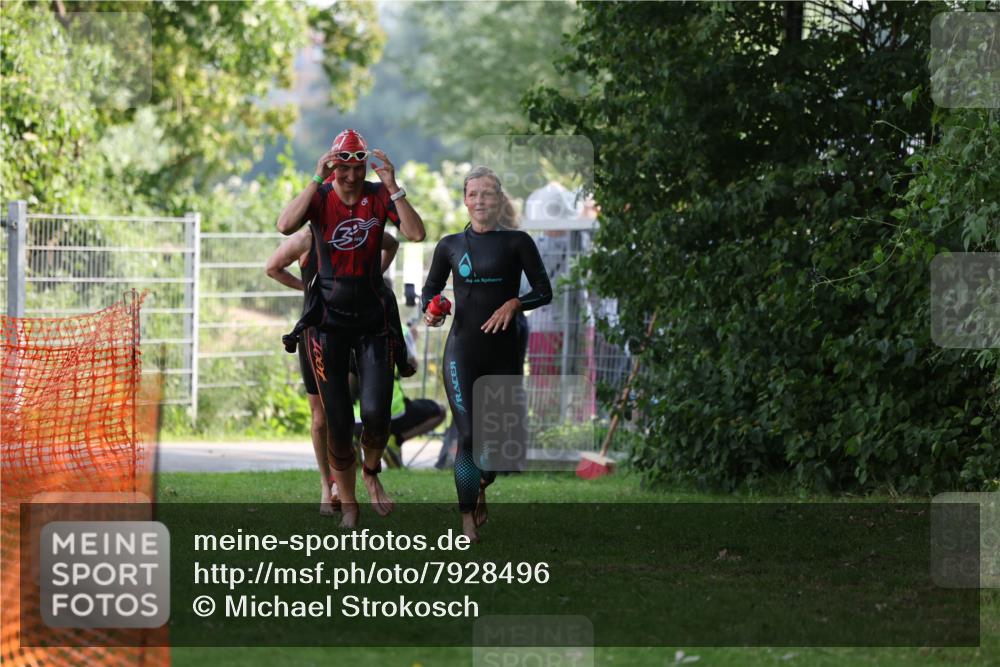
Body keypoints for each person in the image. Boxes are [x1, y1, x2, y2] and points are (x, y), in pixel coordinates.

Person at [276, 128, 425, 528]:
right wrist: (313, 178)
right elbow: (284, 226)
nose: (352, 177)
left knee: (377, 414)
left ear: (365, 169)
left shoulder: (378, 196)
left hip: (372, 320)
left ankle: (371, 470)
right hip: (327, 323)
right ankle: (349, 506)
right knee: (337, 420)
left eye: (358, 168)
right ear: (334, 167)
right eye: (343, 168)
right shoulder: (320, 197)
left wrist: (394, 187)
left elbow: (415, 234)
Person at [421, 165, 552, 542]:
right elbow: (432, 295)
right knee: (468, 436)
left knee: (493, 447)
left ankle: (481, 487)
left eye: (488, 194)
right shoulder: (449, 245)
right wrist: (433, 311)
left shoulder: (517, 242)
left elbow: (544, 291)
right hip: (462, 351)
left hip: (504, 354)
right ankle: (465, 523)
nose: (480, 200)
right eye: (473, 194)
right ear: (465, 200)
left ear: (500, 200)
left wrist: (514, 303)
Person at [265, 225, 399, 516]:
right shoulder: (306, 238)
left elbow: (392, 244)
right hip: (318, 331)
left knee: (357, 409)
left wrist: (372, 280)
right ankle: (329, 485)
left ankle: (363, 475)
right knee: (322, 415)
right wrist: (310, 289)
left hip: (361, 329)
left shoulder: (363, 227)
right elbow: (273, 267)